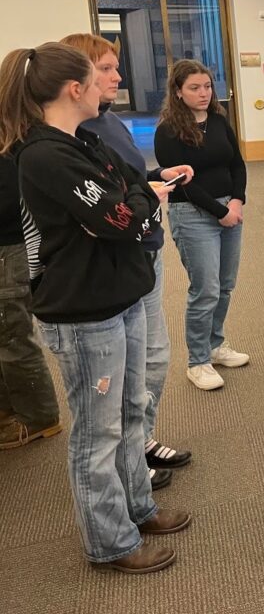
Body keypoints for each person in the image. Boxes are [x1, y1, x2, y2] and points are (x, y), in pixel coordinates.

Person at [0, 42, 191, 573]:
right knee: (97, 431)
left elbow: (130, 190)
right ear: (74, 89)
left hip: (120, 294)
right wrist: (140, 206)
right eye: (98, 74)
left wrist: (137, 203)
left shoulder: (83, 140)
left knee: (132, 411)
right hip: (84, 313)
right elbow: (122, 218)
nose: (111, 81)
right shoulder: (43, 155)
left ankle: (137, 508)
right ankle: (110, 541)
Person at [62, 33, 193, 485]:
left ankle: (140, 442)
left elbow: (129, 180)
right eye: (106, 68)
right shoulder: (70, 136)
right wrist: (142, 195)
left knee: (152, 359)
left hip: (145, 250)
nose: (118, 76)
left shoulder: (109, 122)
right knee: (127, 370)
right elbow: (102, 208)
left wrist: (158, 176)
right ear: (77, 78)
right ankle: (128, 459)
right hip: (118, 260)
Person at [155, 60, 249, 392]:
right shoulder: (168, 129)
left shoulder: (220, 122)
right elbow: (181, 182)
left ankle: (214, 344)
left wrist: (236, 201)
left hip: (230, 209)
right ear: (178, 92)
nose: (204, 93)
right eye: (194, 88)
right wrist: (218, 211)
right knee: (204, 289)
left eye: (207, 86)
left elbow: (237, 164)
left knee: (224, 285)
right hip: (193, 214)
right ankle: (197, 361)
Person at [0, 153, 61, 451]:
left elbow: (12, 199)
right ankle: (9, 408)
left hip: (9, 248)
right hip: (9, 246)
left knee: (12, 335)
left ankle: (39, 417)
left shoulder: (9, 134)